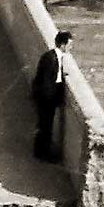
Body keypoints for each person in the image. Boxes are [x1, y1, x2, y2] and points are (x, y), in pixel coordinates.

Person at [31, 31, 72, 161]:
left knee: (45, 126)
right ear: (63, 44)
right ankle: (42, 154)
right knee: (45, 126)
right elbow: (46, 82)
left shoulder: (53, 57)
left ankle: (40, 152)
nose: (71, 48)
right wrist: (50, 100)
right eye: (69, 44)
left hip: (46, 99)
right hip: (46, 100)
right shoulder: (51, 58)